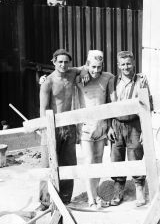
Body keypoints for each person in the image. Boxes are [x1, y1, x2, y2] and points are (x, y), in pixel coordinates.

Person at [107, 51, 150, 207]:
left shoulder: (141, 81)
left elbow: (147, 106)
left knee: (135, 155)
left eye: (128, 64)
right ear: (118, 66)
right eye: (123, 64)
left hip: (134, 123)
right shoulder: (112, 82)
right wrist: (109, 126)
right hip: (116, 124)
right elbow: (108, 106)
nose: (126, 67)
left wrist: (145, 129)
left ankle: (139, 188)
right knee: (116, 157)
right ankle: (118, 190)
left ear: (134, 64)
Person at [76, 50, 115, 209]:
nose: (96, 71)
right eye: (92, 67)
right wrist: (83, 69)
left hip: (101, 126)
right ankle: (91, 199)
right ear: (87, 64)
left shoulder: (107, 77)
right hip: (85, 127)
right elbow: (64, 72)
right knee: (89, 161)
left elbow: (111, 100)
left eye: (99, 67)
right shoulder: (79, 77)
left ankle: (96, 194)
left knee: (98, 161)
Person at [39, 49, 79, 204]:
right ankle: (45, 201)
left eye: (66, 62)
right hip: (52, 126)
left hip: (68, 126)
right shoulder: (47, 82)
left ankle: (66, 198)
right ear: (54, 62)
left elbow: (85, 67)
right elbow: (43, 108)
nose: (63, 65)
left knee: (69, 162)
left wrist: (85, 72)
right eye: (60, 62)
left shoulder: (72, 74)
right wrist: (45, 129)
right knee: (48, 164)